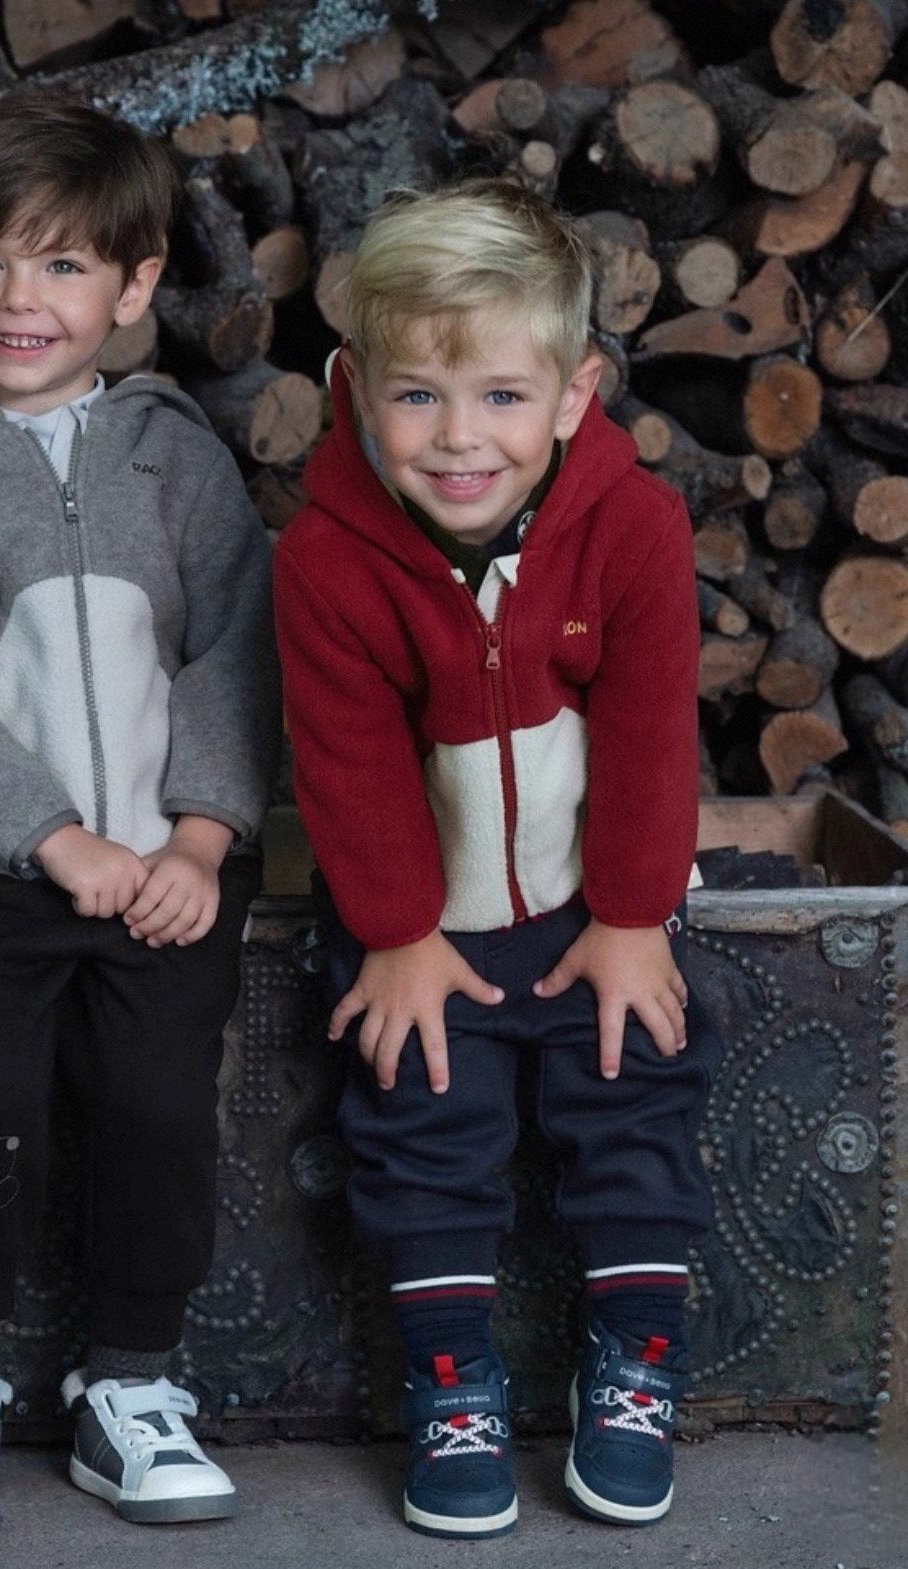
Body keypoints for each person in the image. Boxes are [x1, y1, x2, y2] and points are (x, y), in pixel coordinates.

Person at [0, 91, 278, 1535]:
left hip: (160, 867)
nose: (20, 299)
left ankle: (129, 1390)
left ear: (136, 287)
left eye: (65, 264)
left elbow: (235, 653)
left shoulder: (178, 458)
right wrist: (44, 832)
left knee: (159, 1110)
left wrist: (199, 834)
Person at [273, 179, 721, 1540]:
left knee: (636, 1090)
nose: (459, 438)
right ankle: (450, 1379)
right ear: (355, 388)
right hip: (425, 923)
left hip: (595, 907)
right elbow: (345, 765)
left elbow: (650, 735)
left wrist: (633, 916)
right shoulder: (324, 560)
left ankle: (635, 1358)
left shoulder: (634, 529)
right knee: (417, 1116)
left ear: (574, 395)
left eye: (502, 397)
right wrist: (399, 935)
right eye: (416, 396)